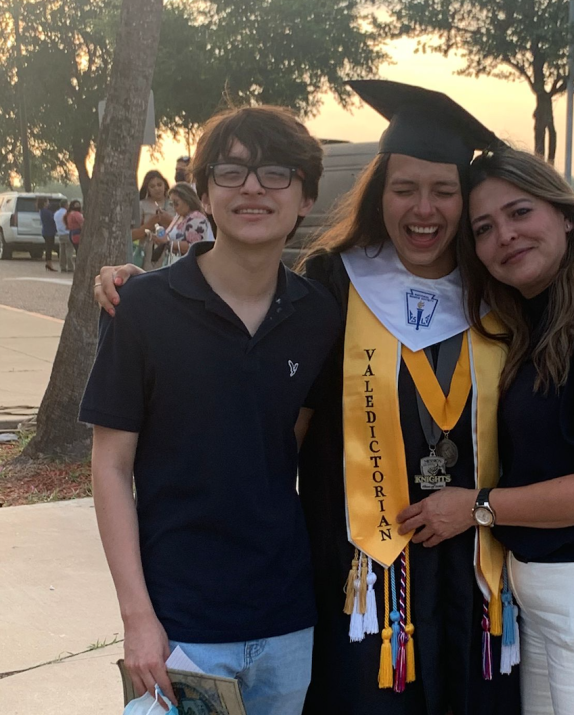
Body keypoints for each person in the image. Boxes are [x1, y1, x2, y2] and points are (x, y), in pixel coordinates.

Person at [93, 81, 522, 715]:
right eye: (404, 188)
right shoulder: (337, 284)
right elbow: (123, 461)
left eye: (443, 191)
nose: (422, 208)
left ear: (305, 195)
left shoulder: (493, 288)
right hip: (350, 584)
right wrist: (139, 284)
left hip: (458, 577)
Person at [397, 147, 574, 715]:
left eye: (520, 212)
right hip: (548, 592)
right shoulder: (540, 319)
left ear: (566, 214)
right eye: (484, 228)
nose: (504, 235)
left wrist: (476, 507)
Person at [80, 105, 341, 715]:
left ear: (305, 198)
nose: (252, 187)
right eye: (231, 171)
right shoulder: (141, 308)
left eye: (276, 173)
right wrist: (138, 620)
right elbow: (111, 469)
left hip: (287, 621)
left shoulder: (318, 317)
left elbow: (284, 447)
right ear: (203, 192)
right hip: (179, 628)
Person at [149, 182, 213, 267]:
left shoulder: (196, 218)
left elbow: (193, 247)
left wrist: (167, 243)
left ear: (187, 200)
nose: (174, 207)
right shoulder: (178, 217)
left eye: (176, 203)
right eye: (172, 204)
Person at [132, 170, 175, 270]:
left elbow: (183, 227)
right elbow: (133, 235)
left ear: (165, 185)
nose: (157, 188)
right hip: (148, 253)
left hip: (171, 251)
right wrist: (151, 223)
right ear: (148, 189)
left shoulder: (174, 203)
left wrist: (168, 220)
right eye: (152, 186)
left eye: (159, 185)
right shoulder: (141, 205)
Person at [54, 199, 75, 272]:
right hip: (68, 233)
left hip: (60, 234)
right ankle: (70, 266)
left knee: (62, 251)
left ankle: (62, 266)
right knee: (69, 251)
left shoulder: (56, 213)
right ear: (66, 205)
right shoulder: (67, 213)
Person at [37, 198, 57, 271]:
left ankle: (48, 263)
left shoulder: (43, 211)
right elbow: (52, 219)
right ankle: (49, 263)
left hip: (47, 231)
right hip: (49, 232)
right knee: (49, 248)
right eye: (47, 202)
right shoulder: (45, 211)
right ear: (44, 203)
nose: (49, 203)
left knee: (49, 248)